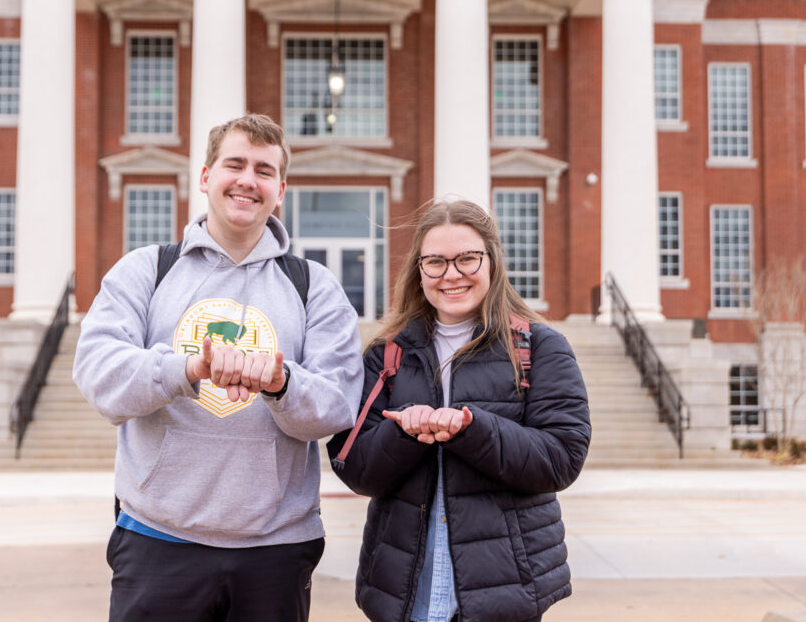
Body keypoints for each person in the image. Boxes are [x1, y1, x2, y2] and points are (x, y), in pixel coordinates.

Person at [74, 113, 363, 622]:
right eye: (235, 165)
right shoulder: (147, 270)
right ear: (206, 176)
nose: (248, 180)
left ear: (280, 190)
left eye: (264, 171)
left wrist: (282, 384)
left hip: (275, 549)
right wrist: (187, 369)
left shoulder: (314, 286)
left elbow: (338, 405)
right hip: (157, 539)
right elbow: (98, 373)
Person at [327, 200, 591, 622]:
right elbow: (352, 465)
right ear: (419, 271)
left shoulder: (540, 347)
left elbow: (562, 459)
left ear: (492, 261)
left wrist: (472, 429)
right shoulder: (387, 354)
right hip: (404, 591)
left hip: (504, 593)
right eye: (435, 262)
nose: (451, 274)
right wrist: (404, 433)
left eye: (467, 258)